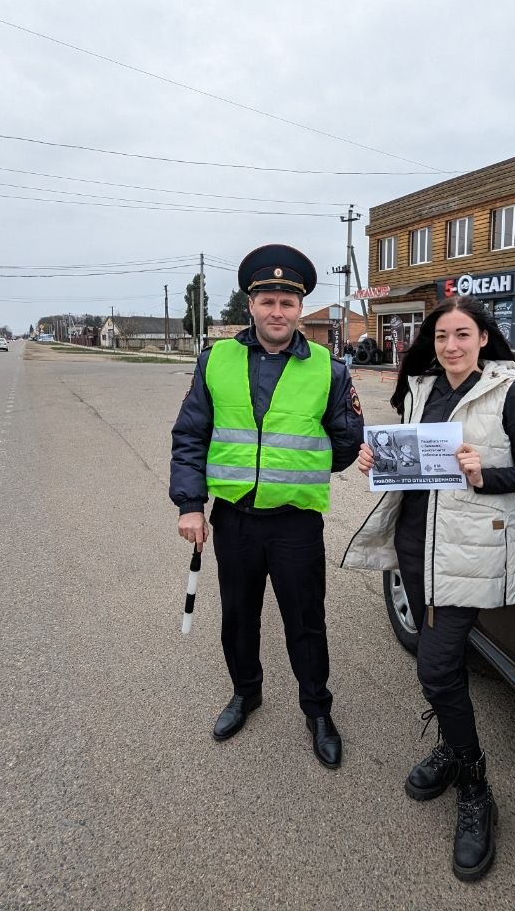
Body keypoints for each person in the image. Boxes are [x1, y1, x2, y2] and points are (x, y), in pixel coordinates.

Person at [342, 295, 515, 881]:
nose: (451, 346)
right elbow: (410, 461)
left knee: (434, 668)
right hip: (414, 545)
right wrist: (376, 460)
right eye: (441, 336)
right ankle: (453, 750)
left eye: (462, 334)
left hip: (467, 551)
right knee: (442, 667)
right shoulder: (421, 389)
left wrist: (485, 475)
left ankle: (475, 785)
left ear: (483, 338)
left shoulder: (510, 393)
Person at [170, 243, 364, 769]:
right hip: (234, 519)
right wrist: (191, 504)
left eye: (287, 303)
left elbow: (348, 440)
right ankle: (246, 693)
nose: (277, 312)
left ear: (300, 309)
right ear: (251, 305)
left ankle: (317, 711)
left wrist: (306, 464)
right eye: (268, 301)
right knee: (238, 617)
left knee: (306, 622)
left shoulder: (329, 369)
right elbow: (190, 436)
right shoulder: (215, 361)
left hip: (295, 523)